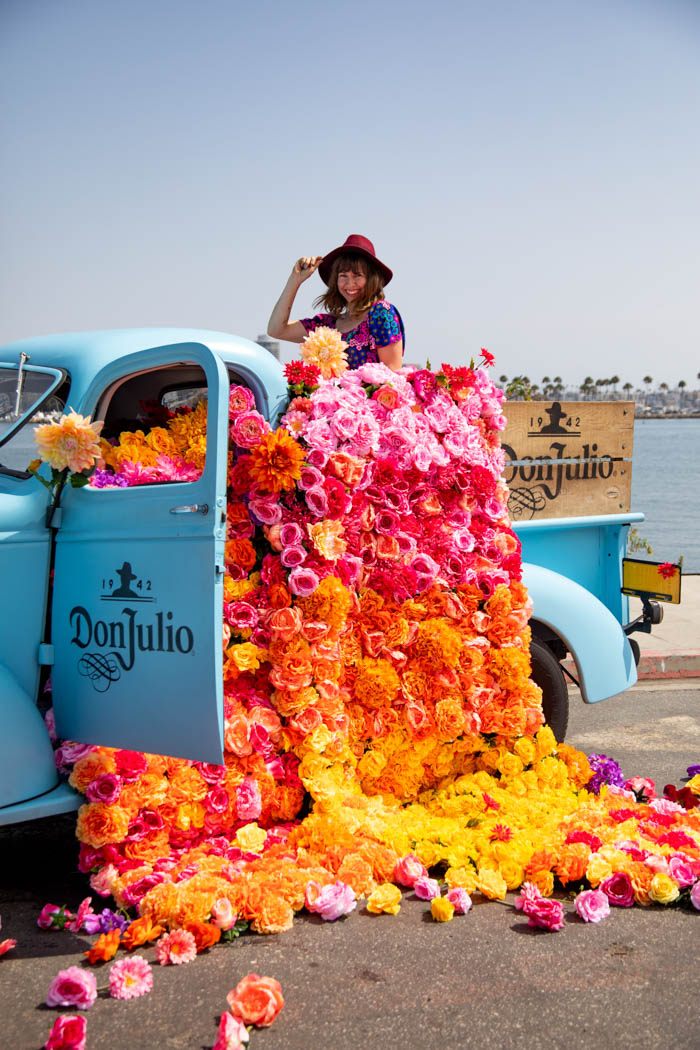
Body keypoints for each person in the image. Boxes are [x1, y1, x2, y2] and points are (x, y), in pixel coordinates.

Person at [267, 234, 404, 371]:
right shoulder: (326, 326)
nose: (350, 284)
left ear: (371, 279)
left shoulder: (381, 312)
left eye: (357, 275)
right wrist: (295, 280)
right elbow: (276, 330)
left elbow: (392, 374)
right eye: (343, 276)